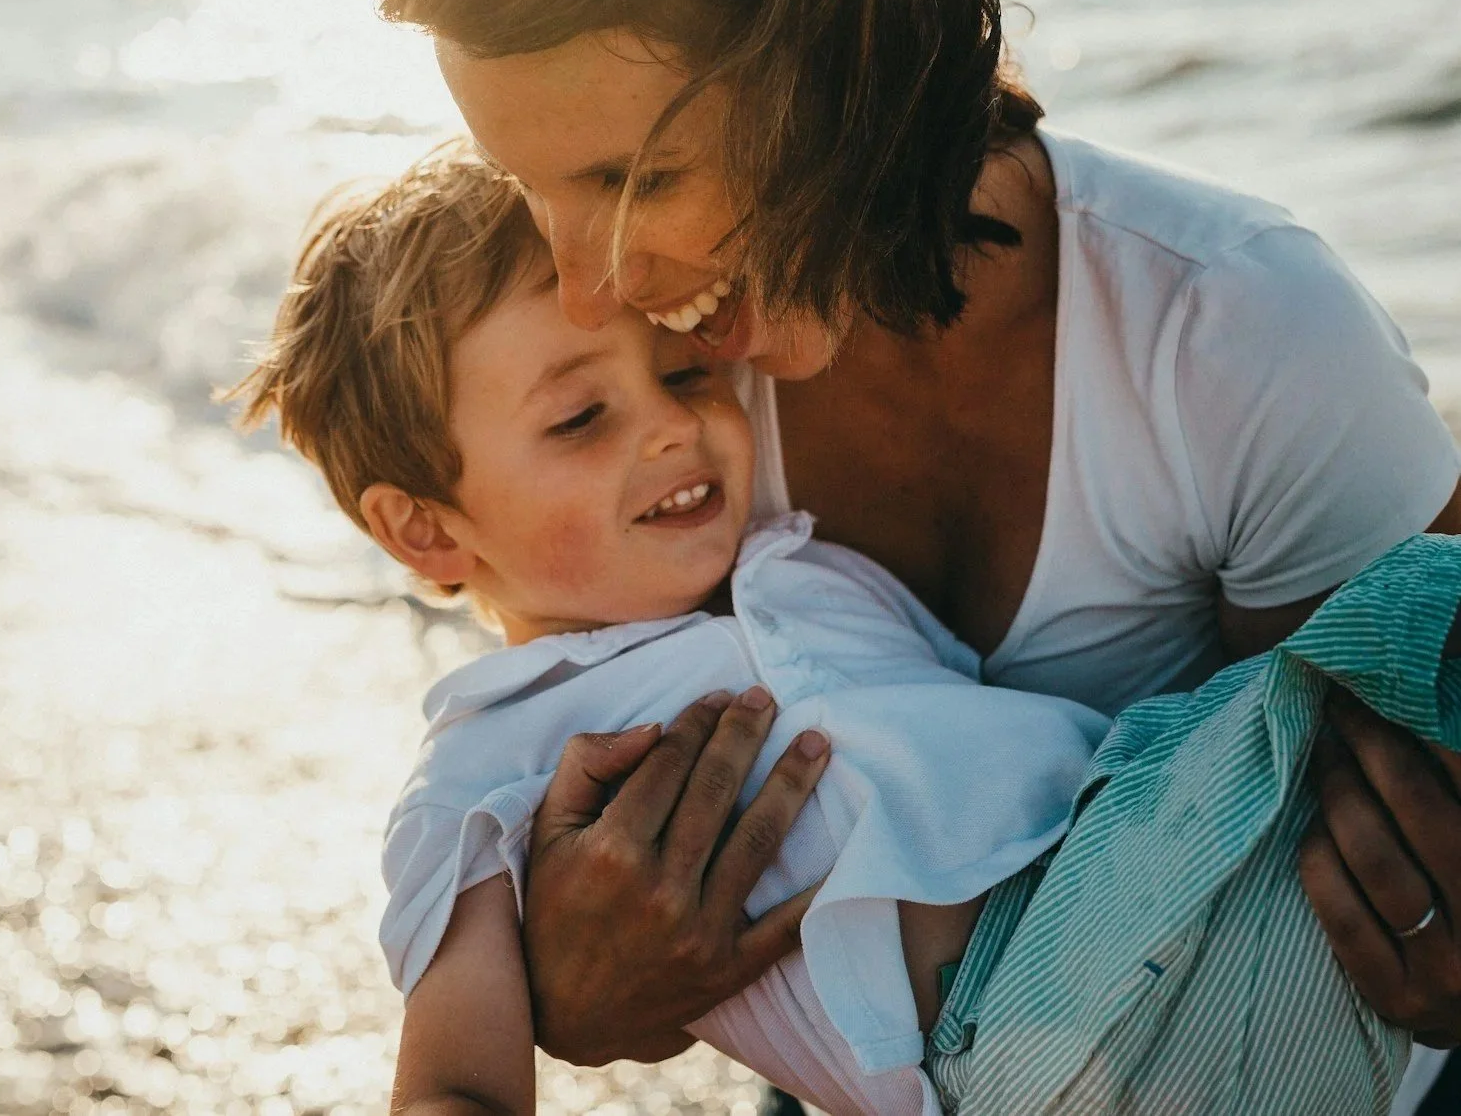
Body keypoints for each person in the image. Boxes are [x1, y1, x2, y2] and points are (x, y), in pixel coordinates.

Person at [374, 0, 1461, 1104]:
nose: (588, 280)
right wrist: (578, 983)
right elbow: (573, 754)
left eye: (639, 173)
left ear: (845, 62)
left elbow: (1369, 797)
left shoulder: (1234, 332)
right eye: (529, 188)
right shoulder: (651, 399)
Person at [232, 145, 1461, 1116]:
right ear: (425, 530)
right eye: (577, 420)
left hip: (1164, 893)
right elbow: (453, 1080)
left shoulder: (801, 561)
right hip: (1015, 1025)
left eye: (681, 374)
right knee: (1416, 613)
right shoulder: (489, 764)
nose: (671, 427)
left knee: (1402, 633)